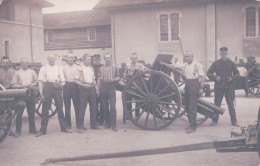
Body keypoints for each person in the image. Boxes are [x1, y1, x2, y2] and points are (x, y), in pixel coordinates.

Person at [161, 51, 205, 133]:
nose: (187, 58)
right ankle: (190, 123)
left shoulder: (197, 65)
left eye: (189, 56)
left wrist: (201, 88)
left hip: (194, 84)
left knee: (192, 106)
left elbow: (202, 77)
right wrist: (163, 64)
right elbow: (174, 66)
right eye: (186, 56)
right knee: (187, 105)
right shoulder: (185, 65)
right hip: (188, 84)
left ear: (192, 56)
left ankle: (193, 126)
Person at [36, 54, 72, 137]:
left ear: (55, 59)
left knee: (60, 108)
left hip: (57, 88)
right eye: (50, 58)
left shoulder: (59, 68)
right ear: (47, 59)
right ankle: (42, 130)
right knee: (45, 109)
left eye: (53, 58)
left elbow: (63, 81)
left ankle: (64, 128)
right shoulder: (43, 68)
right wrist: (41, 94)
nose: (52, 60)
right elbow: (40, 82)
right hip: (47, 87)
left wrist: (60, 85)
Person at [207, 47, 240, 127]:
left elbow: (237, 74)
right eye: (222, 53)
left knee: (231, 104)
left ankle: (234, 121)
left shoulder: (231, 63)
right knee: (217, 104)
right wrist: (215, 78)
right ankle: (215, 120)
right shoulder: (216, 63)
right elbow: (209, 73)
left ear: (227, 53)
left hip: (229, 87)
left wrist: (232, 78)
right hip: (219, 86)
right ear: (220, 54)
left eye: (225, 53)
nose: (223, 55)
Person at [11, 57, 38, 137]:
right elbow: (13, 84)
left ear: (28, 63)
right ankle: (18, 131)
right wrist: (20, 86)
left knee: (31, 112)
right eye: (23, 62)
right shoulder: (17, 73)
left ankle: (32, 129)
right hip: (20, 94)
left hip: (30, 93)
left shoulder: (32, 72)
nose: (25, 64)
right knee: (19, 113)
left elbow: (36, 81)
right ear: (21, 63)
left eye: (26, 62)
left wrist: (33, 84)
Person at [75, 54, 99, 133]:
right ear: (83, 60)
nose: (89, 60)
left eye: (90, 59)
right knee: (82, 108)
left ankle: (93, 124)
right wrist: (84, 85)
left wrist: (96, 89)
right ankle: (80, 126)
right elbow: (76, 80)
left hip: (92, 88)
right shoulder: (79, 68)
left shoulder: (91, 68)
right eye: (88, 59)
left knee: (93, 108)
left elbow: (94, 79)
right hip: (83, 89)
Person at [98, 53, 120, 131]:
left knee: (113, 106)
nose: (108, 59)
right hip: (103, 87)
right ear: (104, 59)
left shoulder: (115, 68)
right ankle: (107, 123)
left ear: (111, 59)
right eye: (106, 58)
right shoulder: (101, 68)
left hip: (111, 87)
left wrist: (114, 80)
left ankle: (113, 125)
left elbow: (118, 77)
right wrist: (98, 89)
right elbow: (99, 79)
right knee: (104, 106)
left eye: (109, 58)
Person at [63, 53, 80, 129]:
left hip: (75, 87)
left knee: (77, 107)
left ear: (74, 59)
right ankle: (68, 125)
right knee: (67, 107)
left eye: (72, 57)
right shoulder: (62, 67)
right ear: (66, 58)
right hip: (66, 87)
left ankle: (79, 125)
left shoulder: (78, 67)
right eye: (68, 57)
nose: (70, 59)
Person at [91, 54, 104, 125]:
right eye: (95, 59)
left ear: (100, 60)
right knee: (94, 104)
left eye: (98, 59)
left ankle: (102, 119)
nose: (97, 61)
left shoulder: (102, 66)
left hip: (102, 87)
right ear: (93, 60)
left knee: (103, 104)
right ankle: (95, 119)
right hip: (93, 87)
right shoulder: (90, 67)